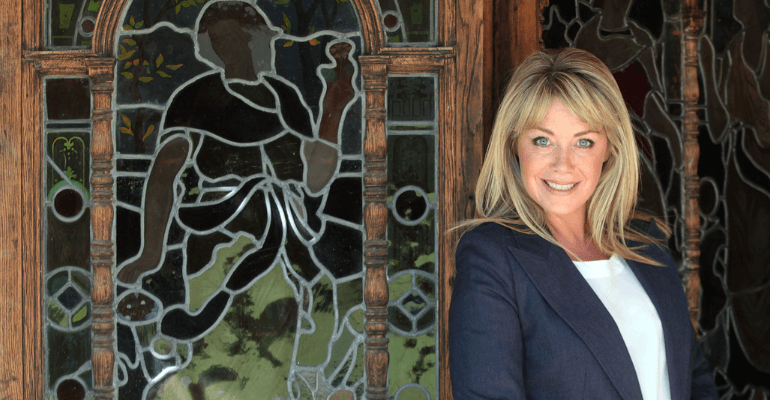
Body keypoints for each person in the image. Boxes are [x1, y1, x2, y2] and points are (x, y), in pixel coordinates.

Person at [448, 48, 718, 399]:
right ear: (514, 144)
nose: (563, 164)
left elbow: (693, 378)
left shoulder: (644, 241)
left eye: (584, 142)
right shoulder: (492, 257)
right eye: (542, 140)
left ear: (609, 149)